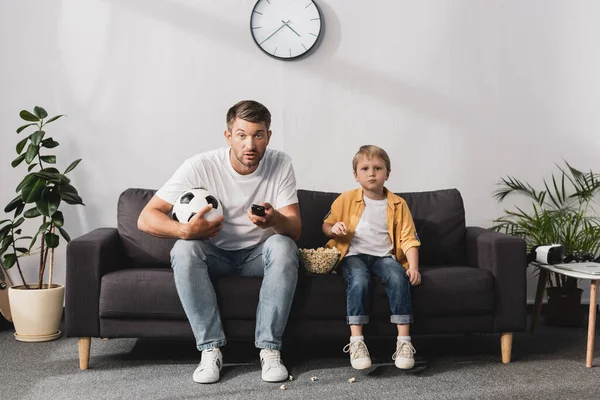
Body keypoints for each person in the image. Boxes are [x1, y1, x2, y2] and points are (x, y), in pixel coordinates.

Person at [138, 100, 301, 384]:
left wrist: (274, 220)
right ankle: (210, 349)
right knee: (184, 249)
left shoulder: (280, 163)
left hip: (257, 257)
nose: (250, 144)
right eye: (242, 135)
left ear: (268, 136)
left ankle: (269, 349)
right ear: (229, 136)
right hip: (213, 254)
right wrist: (186, 231)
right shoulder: (200, 166)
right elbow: (146, 218)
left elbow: (295, 228)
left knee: (284, 245)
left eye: (258, 135)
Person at [322, 145, 421, 370]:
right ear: (356, 176)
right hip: (353, 255)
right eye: (365, 168)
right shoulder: (345, 199)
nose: (372, 173)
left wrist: (413, 266)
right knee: (359, 278)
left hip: (383, 256)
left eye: (378, 168)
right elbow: (326, 225)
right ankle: (356, 341)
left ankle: (404, 342)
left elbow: (409, 239)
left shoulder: (398, 204)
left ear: (387, 173)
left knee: (398, 277)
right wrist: (333, 229)